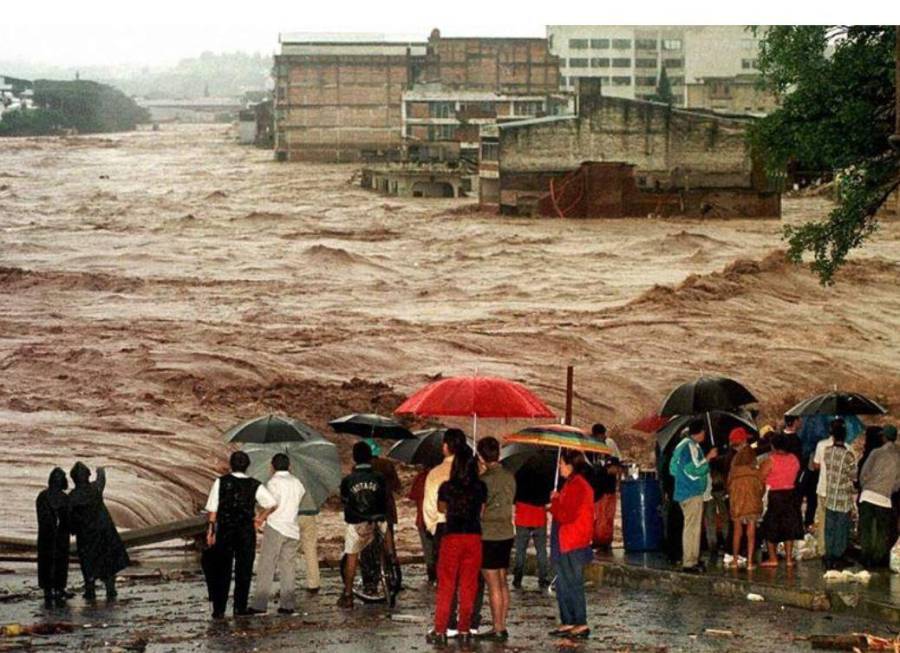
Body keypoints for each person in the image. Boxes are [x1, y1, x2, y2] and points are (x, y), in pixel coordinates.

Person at [427, 445, 487, 647]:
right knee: (469, 586)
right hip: (474, 537)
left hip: (452, 537)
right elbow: (482, 512)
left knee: (447, 586)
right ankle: (464, 629)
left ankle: (441, 629)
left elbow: (441, 508)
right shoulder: (480, 487)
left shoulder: (447, 487)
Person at [204, 451, 277, 618]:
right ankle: (240, 607)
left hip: (226, 531)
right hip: (245, 531)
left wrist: (210, 531)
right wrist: (259, 519)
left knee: (222, 570)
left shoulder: (221, 482)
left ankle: (219, 609)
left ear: (231, 464)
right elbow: (272, 503)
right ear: (247, 466)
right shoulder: (254, 484)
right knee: (243, 570)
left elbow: (213, 509)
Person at [548, 449, 595, 640]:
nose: (559, 467)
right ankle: (568, 619)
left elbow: (566, 515)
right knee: (563, 582)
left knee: (572, 582)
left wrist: (555, 502)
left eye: (561, 463)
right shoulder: (571, 484)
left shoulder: (578, 486)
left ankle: (580, 621)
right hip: (567, 539)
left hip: (572, 540)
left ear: (570, 465)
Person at [250, 453, 305, 614]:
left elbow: (271, 504)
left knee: (267, 565)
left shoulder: (273, 482)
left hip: (276, 526)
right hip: (292, 528)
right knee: (288, 567)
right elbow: (299, 498)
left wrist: (260, 518)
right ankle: (287, 604)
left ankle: (260, 604)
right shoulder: (297, 483)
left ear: (272, 467)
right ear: (289, 466)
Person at [337, 441, 388, 609]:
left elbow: (344, 500)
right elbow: (385, 499)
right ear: (370, 457)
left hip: (356, 522)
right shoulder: (379, 477)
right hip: (378, 520)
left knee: (352, 556)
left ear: (354, 458)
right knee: (384, 545)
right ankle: (389, 565)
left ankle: (348, 594)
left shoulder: (348, 480)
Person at [68, 462, 130, 601]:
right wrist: (101, 468)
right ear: (87, 476)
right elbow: (102, 479)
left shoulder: (72, 496)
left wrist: (72, 529)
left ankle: (90, 590)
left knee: (88, 564)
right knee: (108, 563)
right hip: (103, 532)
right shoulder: (95, 488)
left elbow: (69, 517)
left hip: (85, 536)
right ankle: (110, 589)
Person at [476, 437, 515, 642]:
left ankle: (497, 626)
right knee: (502, 580)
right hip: (507, 532)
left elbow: (480, 511)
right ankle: (502, 623)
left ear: (481, 456)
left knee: (492, 584)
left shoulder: (484, 481)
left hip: (489, 534)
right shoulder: (509, 477)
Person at [668, 419, 717, 573]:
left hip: (683, 491)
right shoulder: (690, 447)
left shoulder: (682, 445)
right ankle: (689, 562)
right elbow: (692, 469)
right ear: (700, 432)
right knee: (692, 528)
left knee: (691, 526)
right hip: (691, 491)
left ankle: (692, 558)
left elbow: (673, 469)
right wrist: (708, 458)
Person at [858, 425, 900, 569]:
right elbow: (898, 483)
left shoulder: (876, 453)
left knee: (866, 529)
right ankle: (876, 559)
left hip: (868, 495)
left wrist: (866, 486)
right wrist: (889, 489)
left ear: (884, 437)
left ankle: (866, 559)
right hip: (885, 498)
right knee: (882, 532)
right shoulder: (898, 456)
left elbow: (864, 473)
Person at [760, 433, 803, 567]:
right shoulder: (794, 459)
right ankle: (789, 558)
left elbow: (760, 477)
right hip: (791, 494)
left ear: (773, 446)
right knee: (789, 526)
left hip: (775, 495)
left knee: (771, 526)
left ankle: (773, 558)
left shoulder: (771, 460)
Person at [725, 428, 764, 569]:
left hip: (736, 497)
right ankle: (749, 562)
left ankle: (735, 560)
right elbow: (760, 480)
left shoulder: (733, 462)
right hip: (751, 495)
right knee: (751, 529)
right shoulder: (751, 458)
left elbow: (729, 482)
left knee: (737, 529)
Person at [821, 421, 857, 570]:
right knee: (841, 529)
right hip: (843, 497)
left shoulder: (827, 452)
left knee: (829, 527)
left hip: (830, 495)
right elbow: (854, 476)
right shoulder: (848, 455)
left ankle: (829, 555)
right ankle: (838, 556)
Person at [512, 461, 551, 590]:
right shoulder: (545, 475)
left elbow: (513, 497)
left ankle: (517, 579)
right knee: (541, 551)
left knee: (520, 551)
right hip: (539, 517)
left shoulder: (519, 474)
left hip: (523, 516)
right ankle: (543, 578)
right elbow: (547, 500)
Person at [36, 468, 71, 608]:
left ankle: (59, 588)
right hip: (48, 535)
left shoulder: (63, 497)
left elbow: (68, 518)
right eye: (56, 478)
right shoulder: (43, 496)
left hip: (60, 535)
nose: (58, 480)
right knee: (47, 561)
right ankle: (48, 590)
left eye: (60, 478)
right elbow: (42, 517)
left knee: (61, 562)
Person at [810, 420, 839, 554]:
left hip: (823, 488)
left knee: (823, 521)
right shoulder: (847, 447)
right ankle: (836, 549)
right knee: (837, 522)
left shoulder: (821, 445)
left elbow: (815, 465)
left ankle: (823, 549)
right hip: (838, 490)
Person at [409, 463, 437, 584]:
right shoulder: (444, 475)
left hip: (423, 519)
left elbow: (413, 496)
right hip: (439, 520)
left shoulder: (420, 477)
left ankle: (432, 576)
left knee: (428, 550)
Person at [297, 505, 321, 595]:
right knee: (310, 550)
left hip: (291, 515)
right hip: (309, 515)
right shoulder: (312, 490)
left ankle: (287, 583)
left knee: (288, 551)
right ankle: (314, 583)